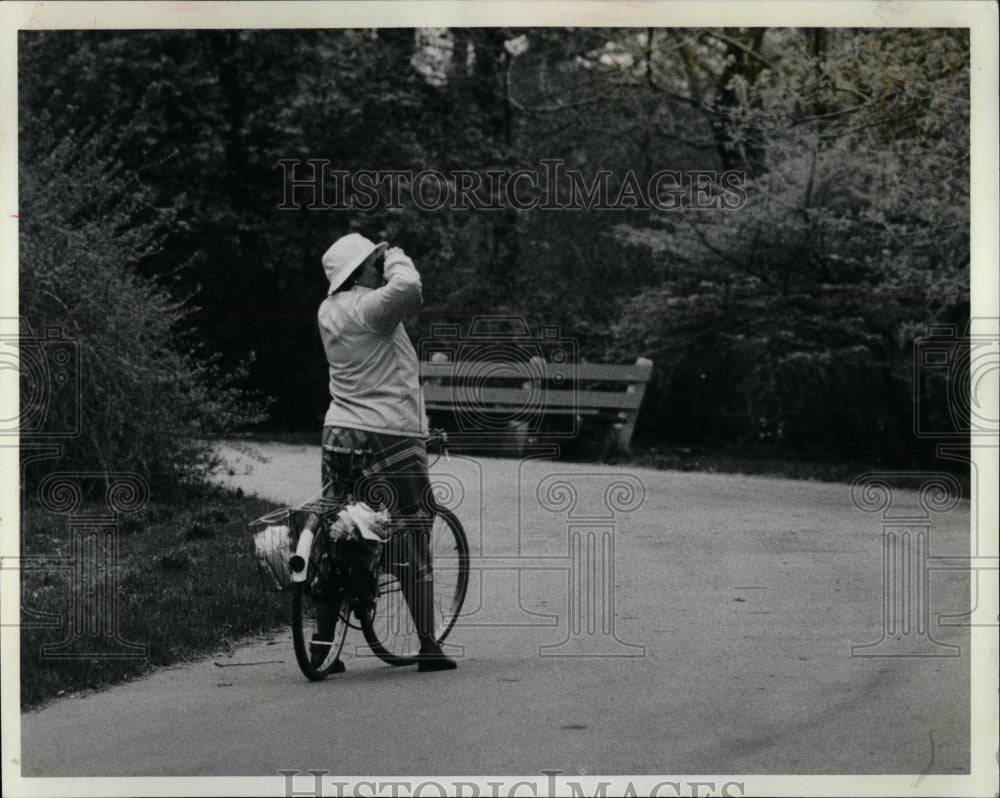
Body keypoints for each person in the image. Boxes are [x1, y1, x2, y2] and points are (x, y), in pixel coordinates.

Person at [306, 231, 456, 673]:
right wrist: (395, 254)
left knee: (340, 532)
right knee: (411, 531)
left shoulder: (328, 310)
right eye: (374, 262)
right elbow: (409, 288)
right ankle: (428, 646)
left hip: (340, 434)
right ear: (363, 270)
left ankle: (322, 648)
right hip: (387, 435)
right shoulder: (371, 310)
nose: (381, 266)